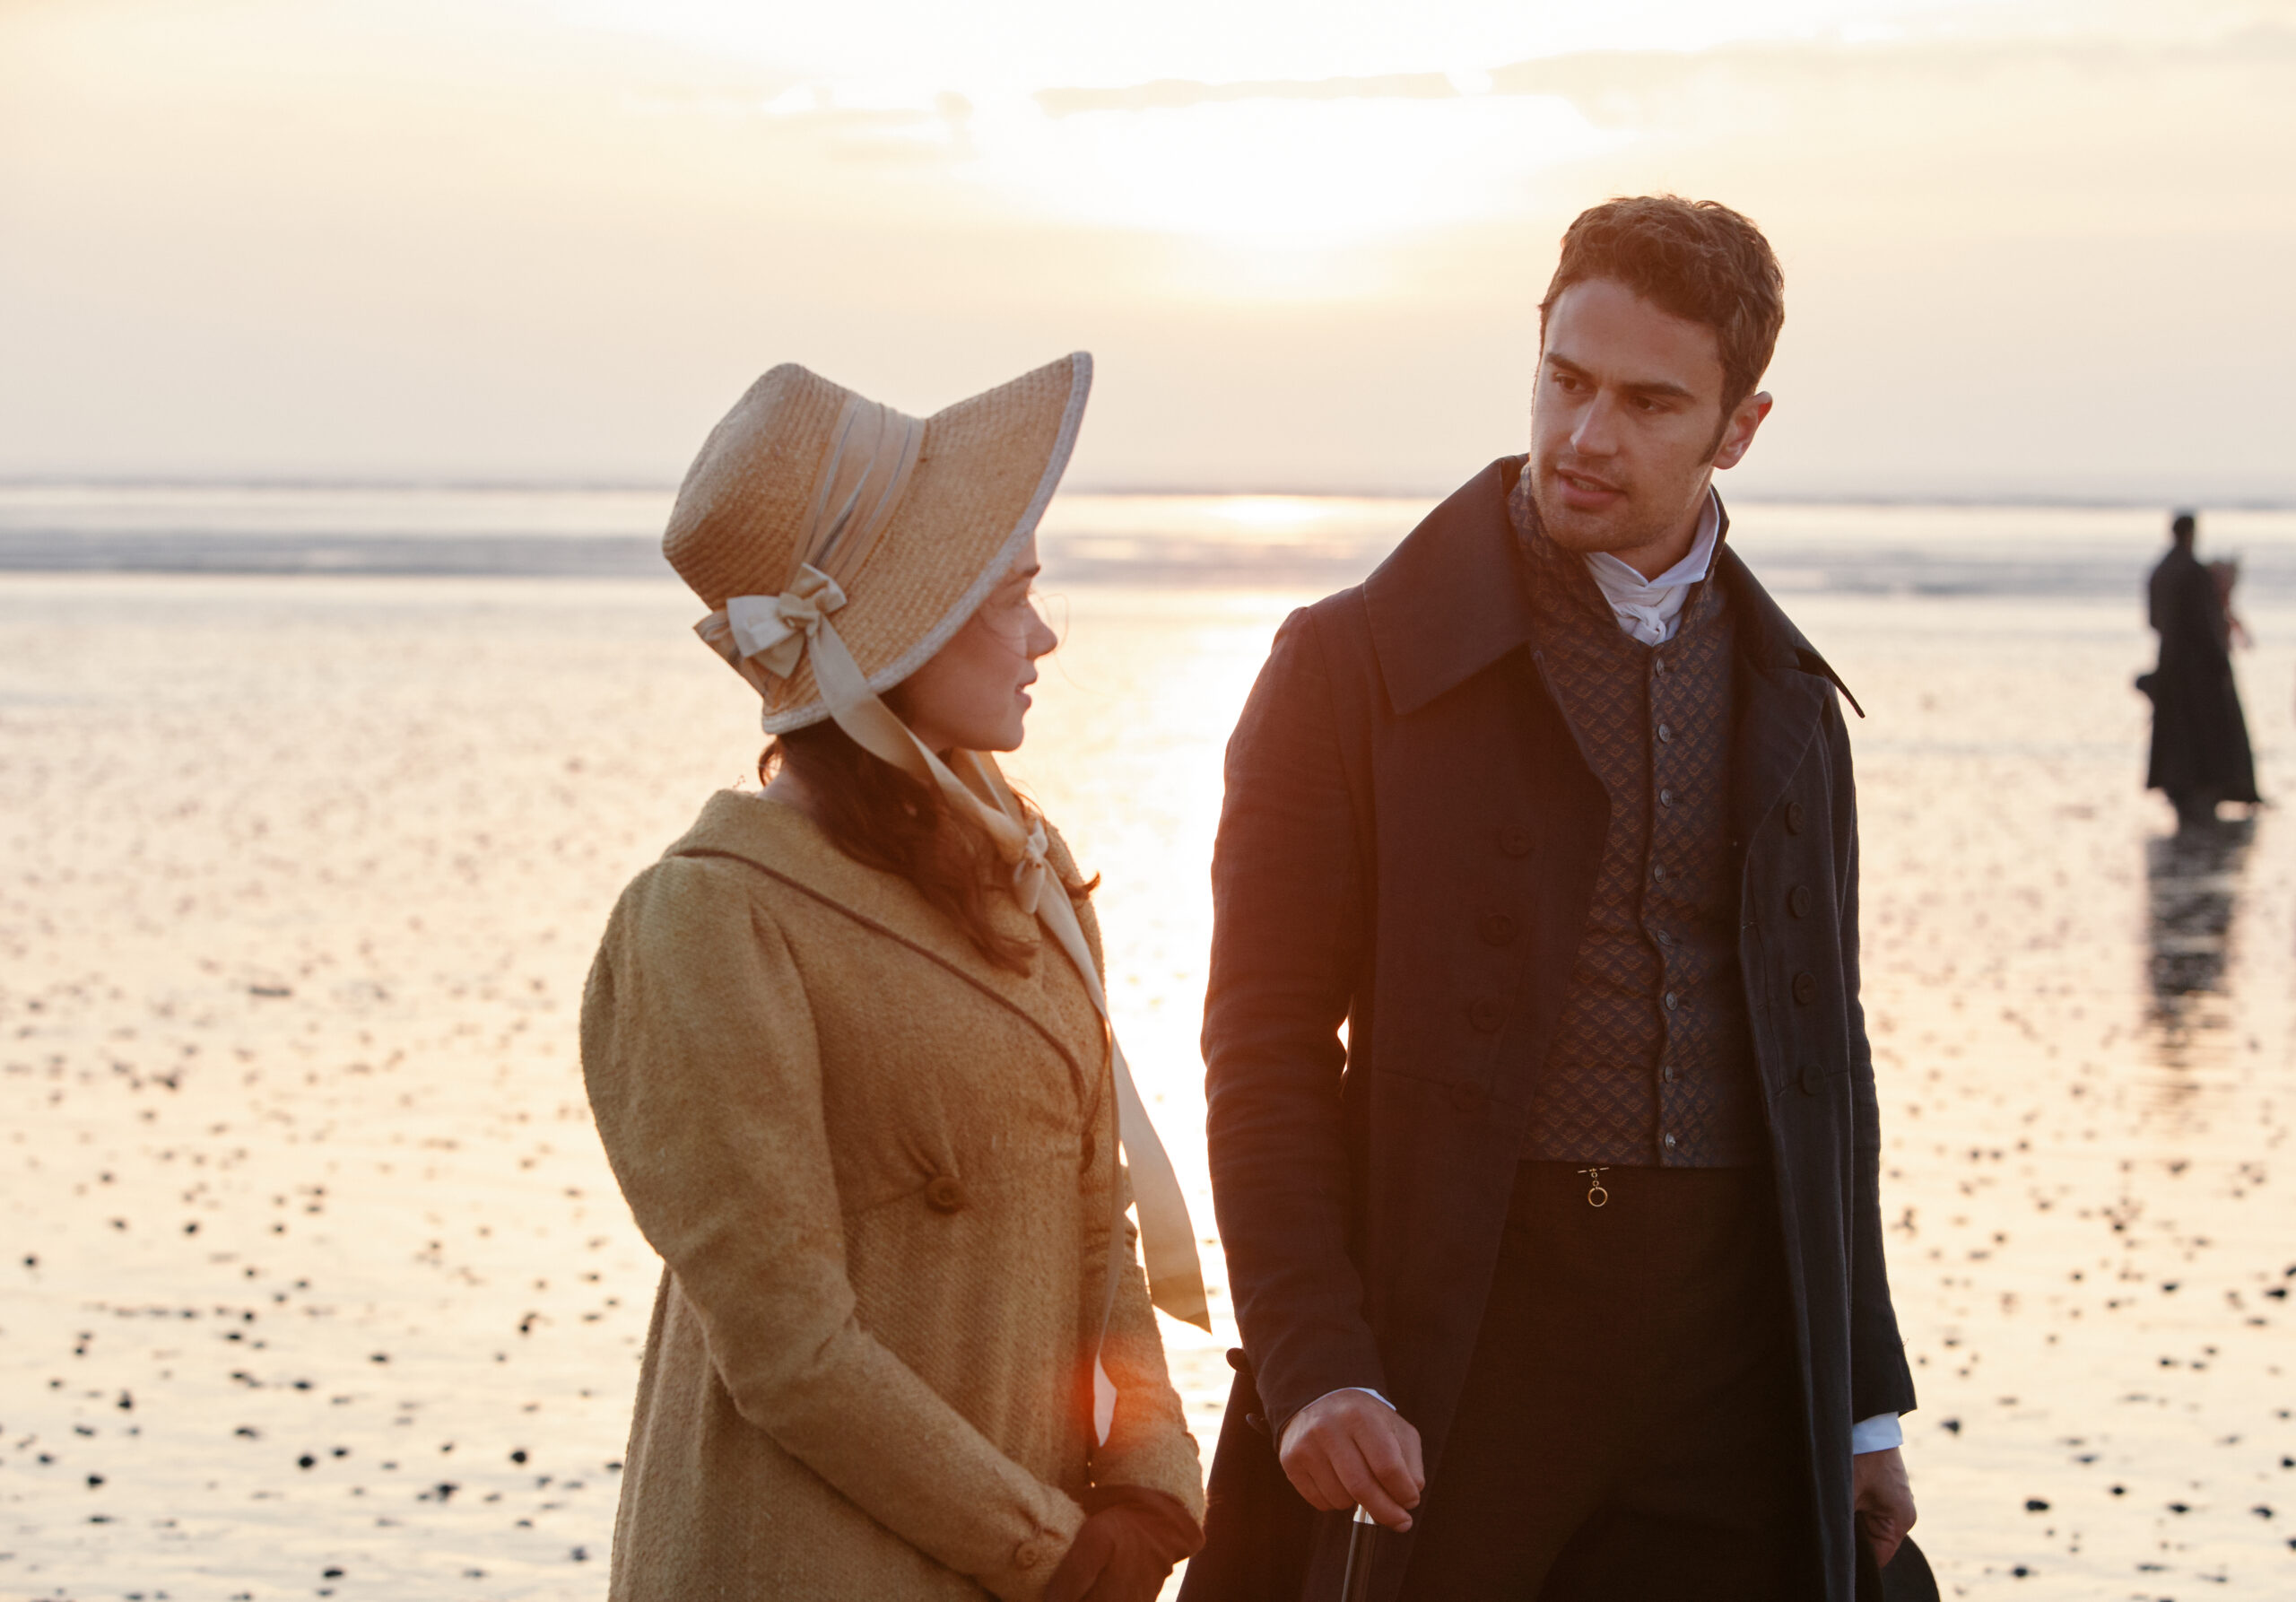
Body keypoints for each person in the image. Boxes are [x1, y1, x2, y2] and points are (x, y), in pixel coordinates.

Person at [1180, 197, 1917, 1602]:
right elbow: (1262, 1049)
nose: (1587, 436)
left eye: (1650, 403)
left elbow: (1830, 1065)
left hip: (1735, 1354)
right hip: (1458, 1342)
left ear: (1739, 427)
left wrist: (1860, 1400)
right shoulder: (1346, 668)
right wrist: (1315, 1359)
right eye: (1567, 381)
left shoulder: (1789, 701)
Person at [581, 353, 1208, 1601]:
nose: (1041, 635)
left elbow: (1098, 1222)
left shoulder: (1020, 864)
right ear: (903, 626)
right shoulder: (710, 917)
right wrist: (1050, 1547)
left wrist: (1148, 1469)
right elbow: (789, 1347)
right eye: (1013, 593)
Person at [2140, 511, 2258, 827]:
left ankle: (2182, 784)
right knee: (2208, 727)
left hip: (2171, 659)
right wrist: (2218, 657)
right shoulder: (2192, 572)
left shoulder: (2161, 570)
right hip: (2198, 666)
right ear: (2191, 534)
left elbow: (2152, 620)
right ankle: (2211, 785)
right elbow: (2206, 621)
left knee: (2176, 728)